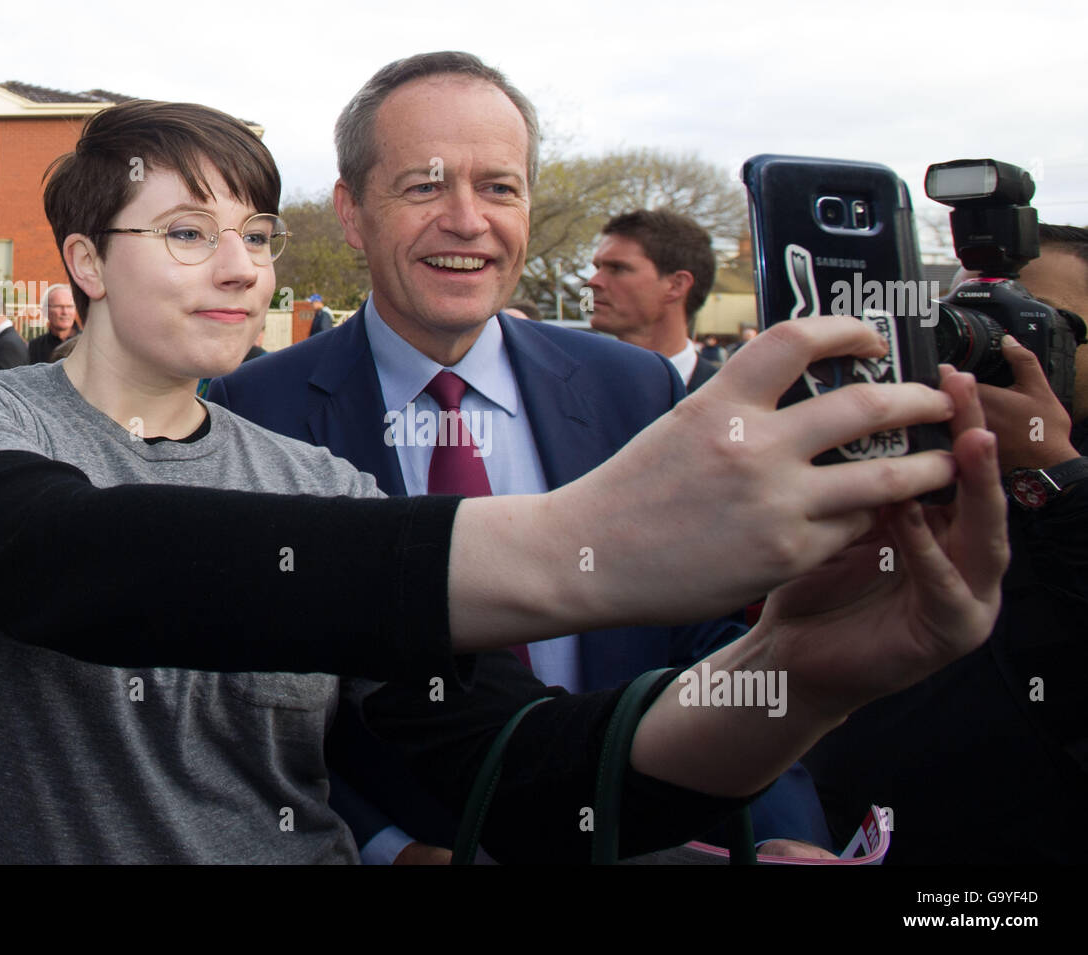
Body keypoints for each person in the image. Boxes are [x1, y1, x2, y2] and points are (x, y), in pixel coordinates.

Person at [0, 93, 1005, 865]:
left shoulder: (325, 486)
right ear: (84, 260)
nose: (238, 266)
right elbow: (80, 560)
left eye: (257, 234)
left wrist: (795, 675)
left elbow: (525, 774)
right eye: (186, 232)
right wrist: (592, 544)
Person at [213, 51, 832, 861]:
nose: (468, 220)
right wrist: (384, 844)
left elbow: (707, 642)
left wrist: (779, 829)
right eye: (426, 186)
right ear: (353, 212)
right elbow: (247, 699)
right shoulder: (252, 415)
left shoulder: (635, 391)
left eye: (499, 187)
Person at [804, 224, 1088, 863]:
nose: (991, 342)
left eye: (1034, 323)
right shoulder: (912, 464)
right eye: (969, 315)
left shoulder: (1049, 471)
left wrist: (1048, 470)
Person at [586, 209, 720, 391]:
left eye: (617, 268)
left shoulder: (735, 402)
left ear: (676, 285)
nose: (593, 281)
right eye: (597, 268)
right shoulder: (566, 391)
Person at [28, 284, 81, 363]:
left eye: (70, 306)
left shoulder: (86, 343)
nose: (65, 312)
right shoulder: (34, 347)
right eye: (58, 306)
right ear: (45, 311)